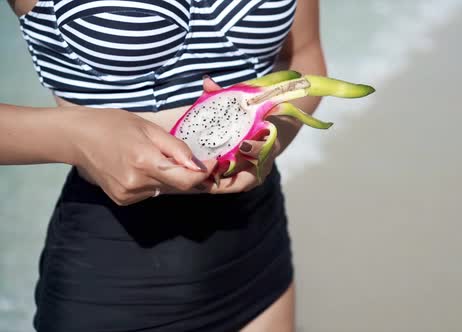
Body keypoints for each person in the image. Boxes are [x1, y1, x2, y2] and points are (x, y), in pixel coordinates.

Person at [2, 0, 326, 331]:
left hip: (256, 245)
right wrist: (75, 134)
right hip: (113, 271)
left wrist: (273, 142)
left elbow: (301, 58)